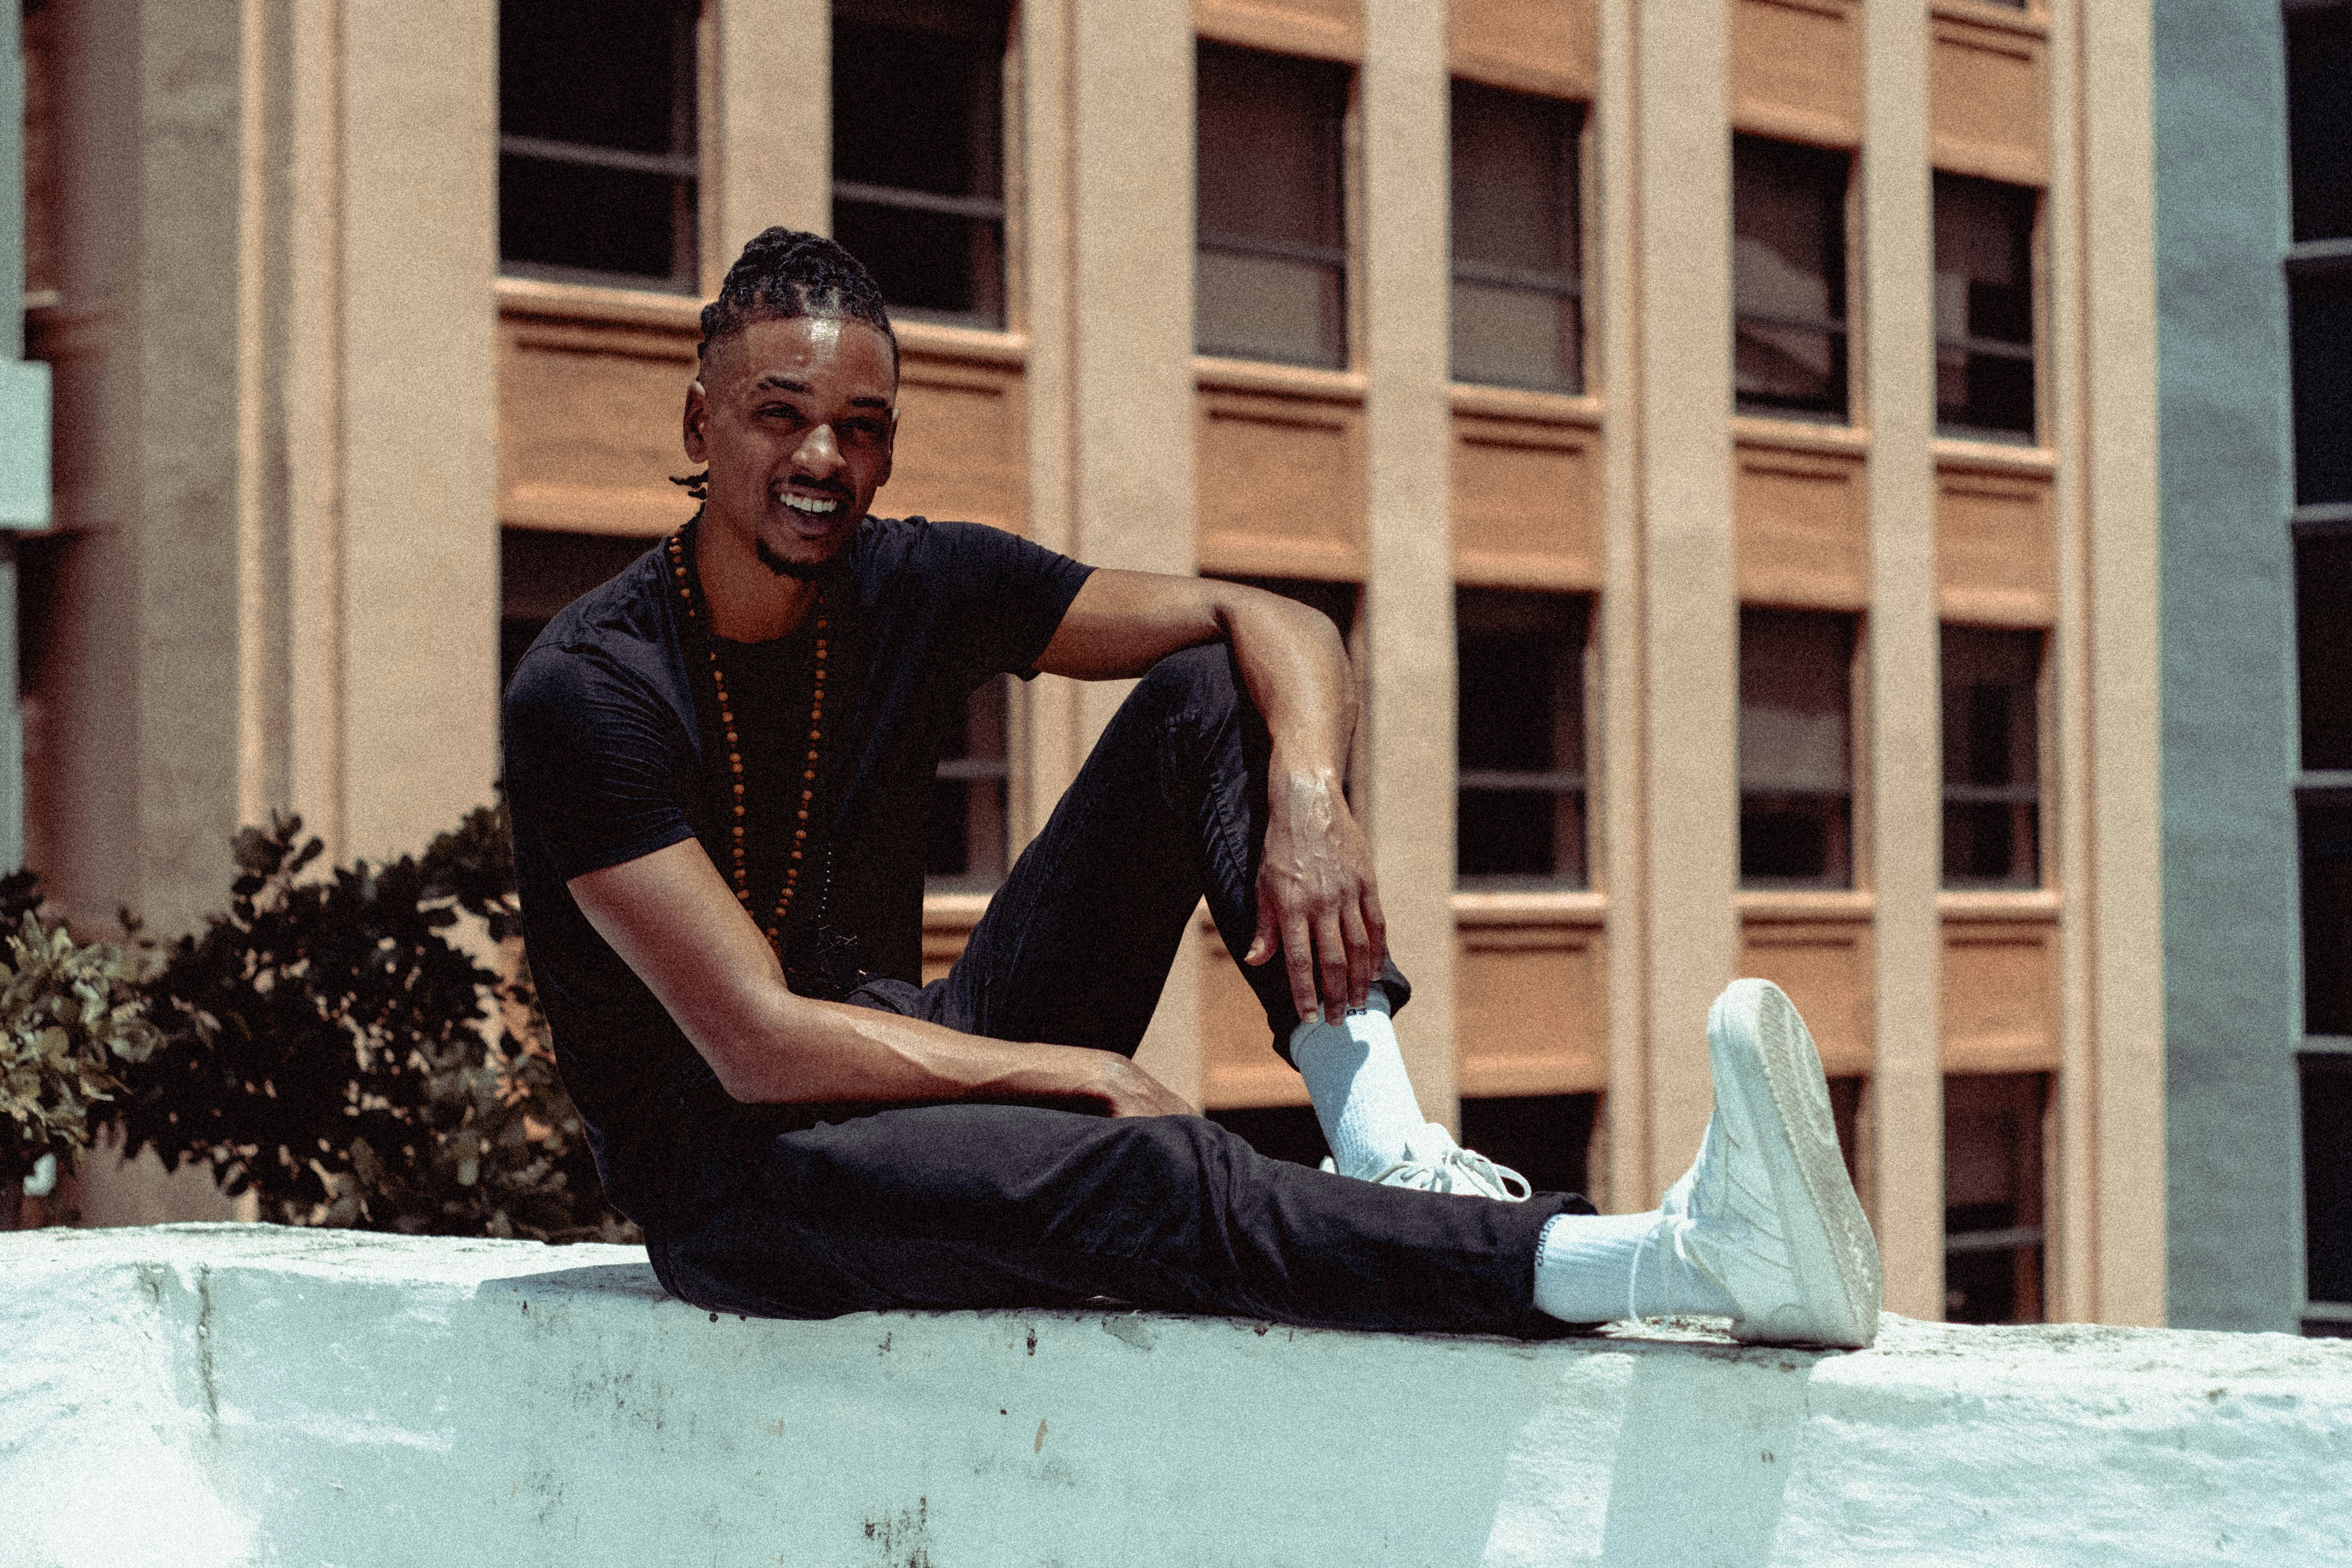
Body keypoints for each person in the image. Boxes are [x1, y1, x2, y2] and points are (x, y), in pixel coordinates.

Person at [502, 228, 1882, 1348]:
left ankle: (1387, 1143)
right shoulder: (593, 689)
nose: (822, 461)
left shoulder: (907, 580)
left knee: (1211, 693)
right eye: (780, 417)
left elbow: (1266, 617)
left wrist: (1311, 800)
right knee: (1151, 1174)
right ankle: (1669, 1260)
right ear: (702, 419)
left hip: (902, 1058)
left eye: (862, 427)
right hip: (742, 1185)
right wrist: (1084, 1075)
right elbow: (753, 1043)